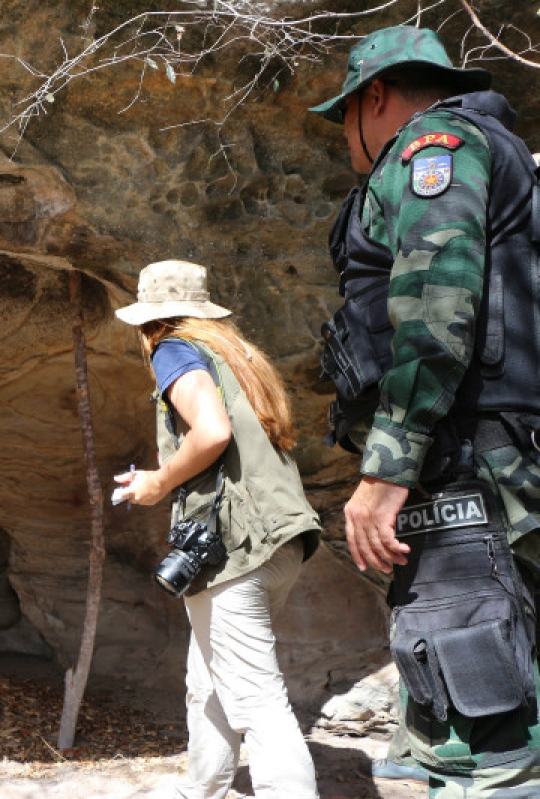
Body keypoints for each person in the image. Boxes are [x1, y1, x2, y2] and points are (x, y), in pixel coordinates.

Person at [310, 25, 540, 794]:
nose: (347, 137)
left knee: (483, 743)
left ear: (375, 97)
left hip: (472, 461)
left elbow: (437, 307)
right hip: (501, 454)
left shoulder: (432, 145)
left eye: (344, 116)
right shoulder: (501, 153)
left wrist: (387, 468)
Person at [114, 259, 321, 799]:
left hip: (235, 548)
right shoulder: (236, 355)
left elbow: (211, 432)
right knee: (208, 679)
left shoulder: (173, 348)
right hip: (281, 541)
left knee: (255, 697)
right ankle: (203, 791)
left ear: (150, 320)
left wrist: (157, 483)